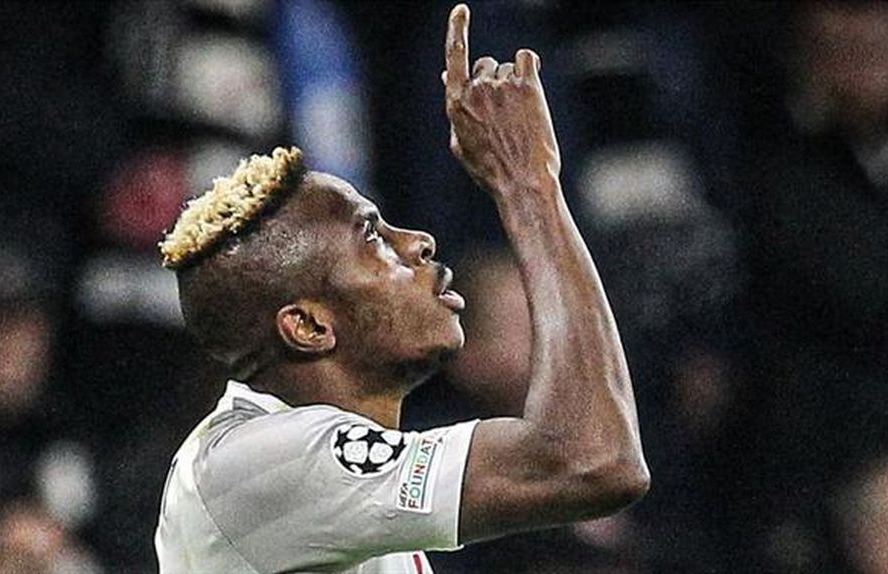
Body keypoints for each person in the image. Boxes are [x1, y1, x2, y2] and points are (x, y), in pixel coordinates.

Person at [154, 5, 648, 573]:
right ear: (309, 326)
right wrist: (528, 186)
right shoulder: (258, 463)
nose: (418, 241)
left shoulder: (323, 489)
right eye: (373, 239)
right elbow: (593, 461)